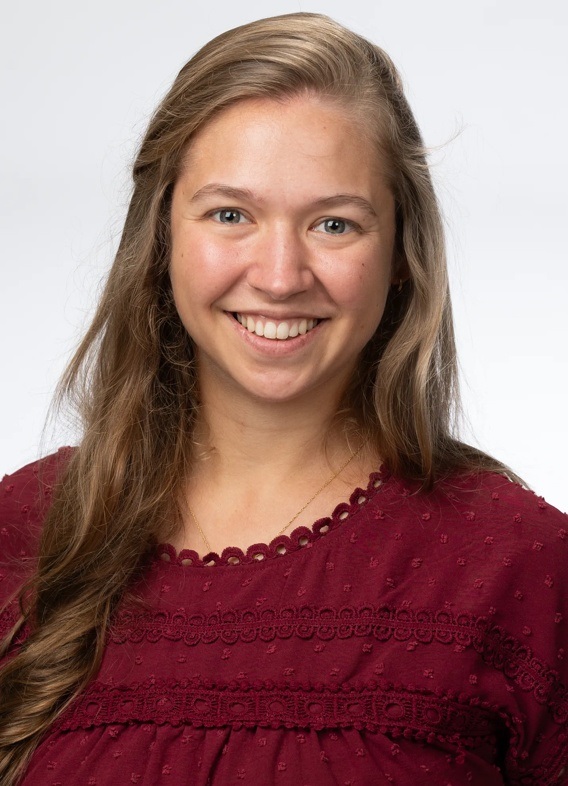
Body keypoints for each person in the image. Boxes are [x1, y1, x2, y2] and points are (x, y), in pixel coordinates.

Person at [0, 12, 566, 785]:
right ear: (162, 234)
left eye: (334, 224)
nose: (279, 274)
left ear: (400, 253)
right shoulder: (22, 532)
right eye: (230, 214)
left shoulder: (519, 565)